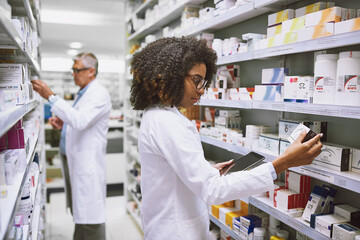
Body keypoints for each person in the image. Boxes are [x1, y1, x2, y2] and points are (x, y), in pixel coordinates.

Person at [130, 37, 323, 239]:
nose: (202, 90)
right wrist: (283, 163)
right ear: (169, 75)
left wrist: (206, 171)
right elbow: (213, 191)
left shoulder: (159, 114)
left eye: (204, 82)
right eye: (196, 80)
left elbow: (171, 171)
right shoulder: (166, 122)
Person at [32, 52, 111, 240]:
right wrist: (63, 123)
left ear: (91, 71)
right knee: (81, 215)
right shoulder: (83, 94)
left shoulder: (99, 93)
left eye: (77, 70)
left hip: (87, 164)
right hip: (74, 160)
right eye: (73, 70)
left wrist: (50, 96)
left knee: (90, 216)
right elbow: (77, 120)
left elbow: (81, 120)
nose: (73, 74)